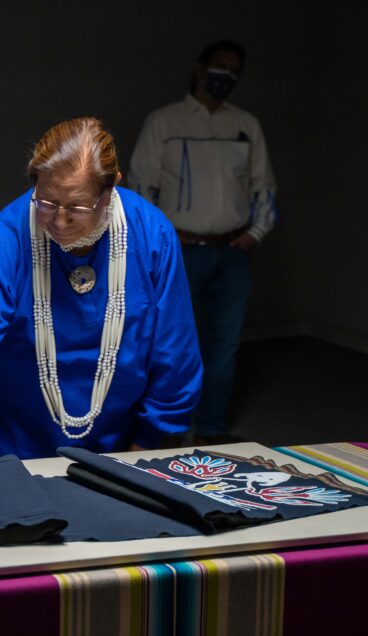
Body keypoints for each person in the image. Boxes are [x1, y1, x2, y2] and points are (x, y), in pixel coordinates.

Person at [0, 117, 201, 487]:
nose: (60, 220)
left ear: (111, 188)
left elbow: (174, 353)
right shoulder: (8, 235)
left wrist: (145, 445)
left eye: (78, 207)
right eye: (47, 201)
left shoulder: (151, 235)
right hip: (8, 443)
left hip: (125, 444)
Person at [127, 40, 277, 446]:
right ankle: (167, 428)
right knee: (170, 343)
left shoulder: (246, 125)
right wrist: (162, 243)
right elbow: (141, 190)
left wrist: (254, 234)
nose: (225, 75)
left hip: (232, 254)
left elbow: (264, 188)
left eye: (234, 70)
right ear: (199, 69)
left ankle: (212, 428)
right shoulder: (164, 122)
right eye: (219, 66)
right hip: (180, 253)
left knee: (224, 346)